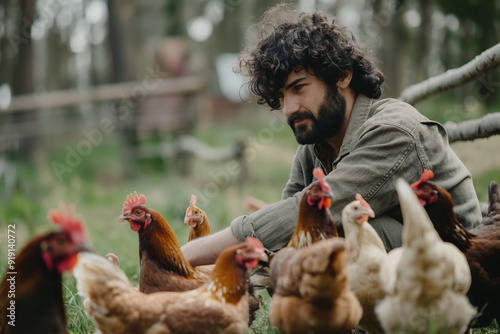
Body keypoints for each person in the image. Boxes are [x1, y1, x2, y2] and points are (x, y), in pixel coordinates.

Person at [181, 4, 482, 266]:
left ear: (342, 75)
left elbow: (293, 218)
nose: (288, 109)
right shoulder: (316, 142)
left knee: (334, 228)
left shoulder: (393, 131)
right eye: (281, 96)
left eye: (299, 88)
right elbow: (290, 230)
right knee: (304, 241)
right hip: (401, 269)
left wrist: (186, 255)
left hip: (458, 274)